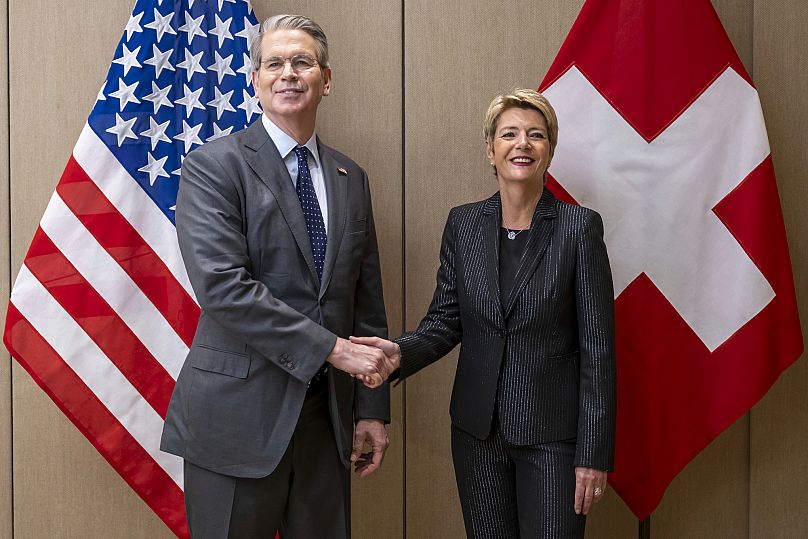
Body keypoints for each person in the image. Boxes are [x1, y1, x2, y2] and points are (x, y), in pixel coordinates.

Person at [160, 14, 396, 538]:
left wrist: (372, 408)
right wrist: (333, 349)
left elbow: (366, 303)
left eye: (302, 62)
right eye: (274, 63)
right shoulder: (213, 166)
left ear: (325, 80)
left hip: (326, 424)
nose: (288, 73)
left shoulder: (351, 177)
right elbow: (223, 287)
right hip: (235, 421)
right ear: (255, 79)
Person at [353, 89, 616, 538]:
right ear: (491, 150)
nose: (522, 143)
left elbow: (599, 352)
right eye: (509, 134)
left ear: (550, 150)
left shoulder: (579, 228)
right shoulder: (464, 224)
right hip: (477, 434)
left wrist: (593, 453)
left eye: (536, 135)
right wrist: (398, 353)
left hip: (552, 438)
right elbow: (445, 322)